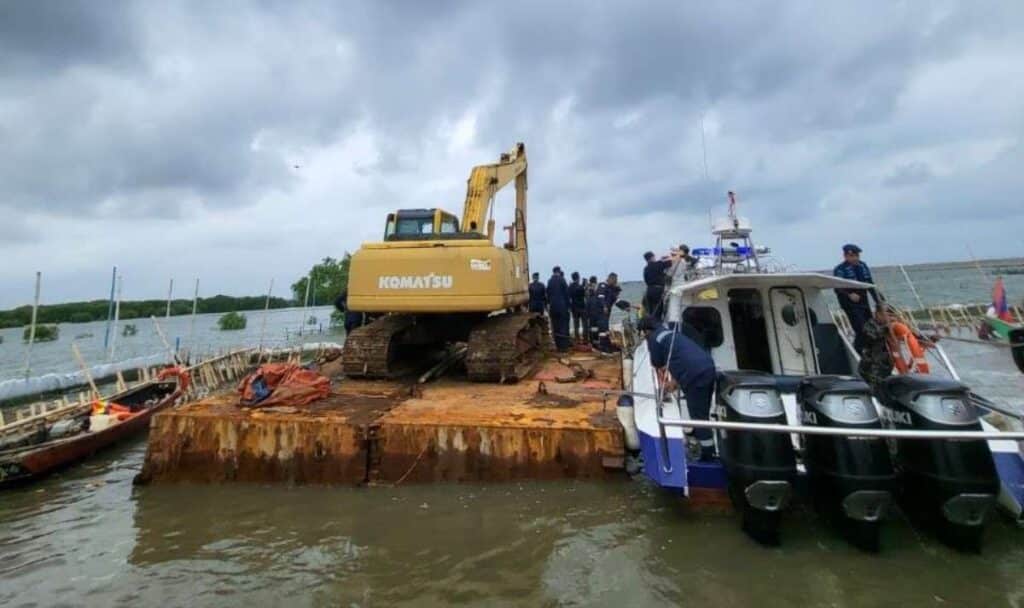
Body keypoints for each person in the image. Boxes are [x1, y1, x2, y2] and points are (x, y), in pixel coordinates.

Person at [638, 316, 717, 460]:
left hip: (694, 375)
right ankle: (699, 434)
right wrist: (674, 382)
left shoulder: (654, 339)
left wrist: (664, 388)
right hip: (708, 367)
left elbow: (658, 364)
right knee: (702, 410)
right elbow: (678, 358)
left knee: (698, 416)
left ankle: (708, 454)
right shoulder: (670, 334)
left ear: (646, 331)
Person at [833, 244, 880, 354]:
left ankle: (869, 351)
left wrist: (879, 300)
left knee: (871, 329)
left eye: (857, 256)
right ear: (845, 256)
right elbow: (837, 288)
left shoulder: (863, 266)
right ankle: (858, 353)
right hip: (850, 305)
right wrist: (849, 295)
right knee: (861, 329)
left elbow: (870, 284)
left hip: (864, 303)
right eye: (852, 256)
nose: (855, 258)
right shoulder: (840, 270)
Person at [858, 304, 895, 389]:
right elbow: (874, 335)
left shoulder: (890, 326)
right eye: (886, 315)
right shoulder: (869, 325)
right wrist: (888, 327)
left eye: (890, 316)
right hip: (871, 367)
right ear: (877, 314)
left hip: (884, 366)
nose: (887, 318)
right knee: (874, 390)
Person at [588, 273, 622, 352]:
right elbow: (601, 296)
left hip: (604, 314)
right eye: (615, 281)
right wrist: (604, 306)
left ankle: (606, 345)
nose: (615, 282)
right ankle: (602, 347)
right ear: (611, 279)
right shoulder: (602, 286)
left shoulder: (610, 289)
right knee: (602, 330)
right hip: (600, 312)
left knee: (603, 330)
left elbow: (617, 301)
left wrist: (629, 306)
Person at [547, 266, 572, 351]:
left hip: (553, 307)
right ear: (558, 271)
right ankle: (564, 347)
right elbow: (566, 294)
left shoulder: (549, 281)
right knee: (563, 326)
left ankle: (558, 346)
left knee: (555, 326)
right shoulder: (562, 280)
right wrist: (568, 306)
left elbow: (548, 294)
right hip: (562, 306)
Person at [643, 251, 672, 321]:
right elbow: (670, 263)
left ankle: (651, 327)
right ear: (652, 257)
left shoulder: (645, 269)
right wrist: (668, 257)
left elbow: (646, 280)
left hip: (649, 290)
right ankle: (657, 327)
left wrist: (661, 260)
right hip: (657, 290)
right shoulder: (657, 264)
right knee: (658, 310)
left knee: (651, 311)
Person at [568, 272, 586, 343]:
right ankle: (585, 340)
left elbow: (568, 297)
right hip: (582, 306)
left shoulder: (570, 287)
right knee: (584, 324)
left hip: (574, 307)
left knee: (576, 325)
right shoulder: (580, 286)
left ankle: (577, 339)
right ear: (578, 278)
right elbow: (584, 294)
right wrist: (584, 285)